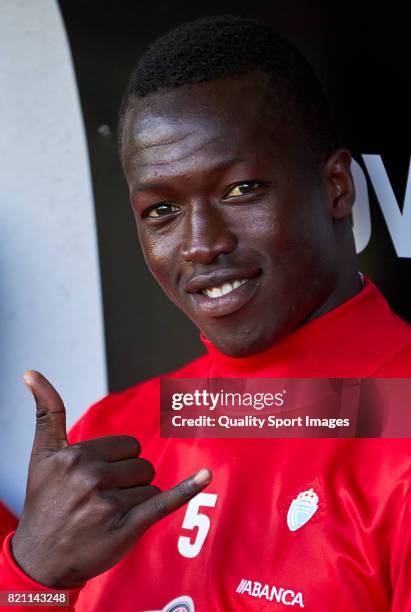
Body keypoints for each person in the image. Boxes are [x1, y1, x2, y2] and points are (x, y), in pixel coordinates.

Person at [1, 15, 411, 612]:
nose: (199, 243)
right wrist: (32, 576)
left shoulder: (397, 432)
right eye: (162, 209)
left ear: (338, 188)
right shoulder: (111, 440)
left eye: (240, 190)